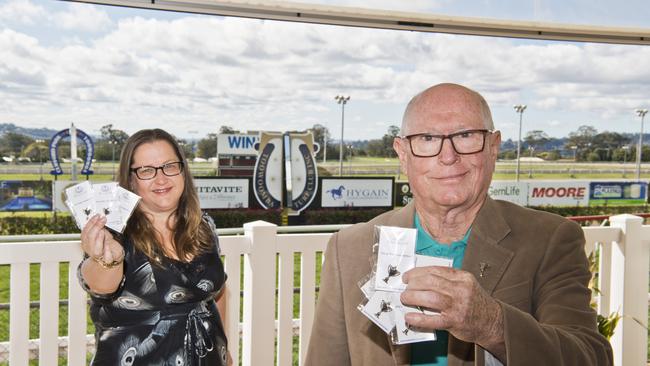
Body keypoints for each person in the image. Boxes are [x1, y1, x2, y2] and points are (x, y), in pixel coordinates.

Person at [306, 83, 612, 365]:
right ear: (402, 154)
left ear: (494, 146)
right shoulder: (348, 248)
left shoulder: (550, 239)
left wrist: (493, 324)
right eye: (427, 139)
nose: (448, 156)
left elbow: (589, 357)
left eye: (465, 136)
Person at [78, 128, 230, 365]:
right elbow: (100, 287)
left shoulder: (203, 226)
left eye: (169, 166)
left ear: (183, 171)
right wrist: (107, 260)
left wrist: (226, 353)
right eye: (147, 170)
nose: (161, 179)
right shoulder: (114, 233)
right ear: (131, 180)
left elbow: (217, 294)